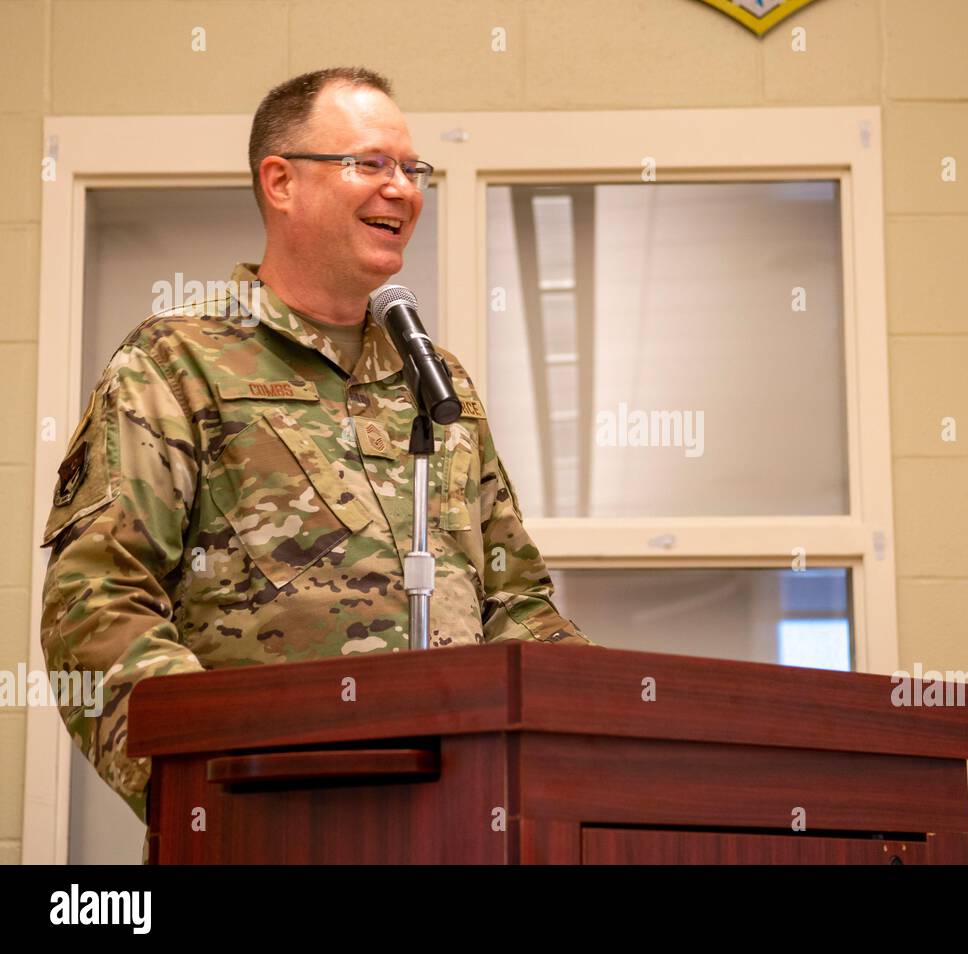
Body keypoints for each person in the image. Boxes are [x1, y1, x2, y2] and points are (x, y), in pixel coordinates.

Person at [39, 67, 594, 836]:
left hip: (462, 825)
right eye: (369, 163)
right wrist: (211, 796)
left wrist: (603, 736)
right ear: (281, 181)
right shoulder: (177, 361)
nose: (402, 189)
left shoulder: (438, 381)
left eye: (412, 169)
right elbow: (97, 606)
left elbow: (516, 604)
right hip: (266, 827)